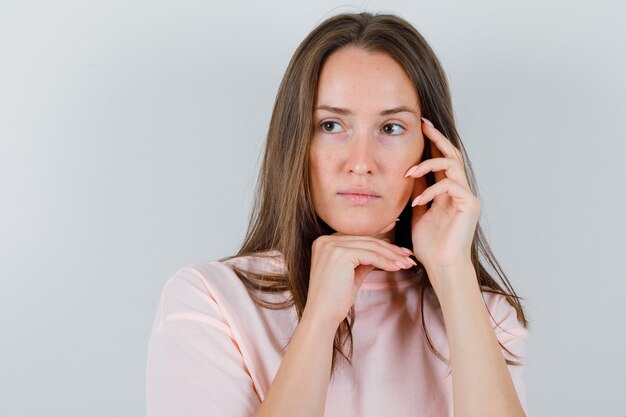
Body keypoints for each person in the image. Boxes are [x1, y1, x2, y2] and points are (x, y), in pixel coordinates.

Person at [146, 11, 530, 417]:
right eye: (331, 125)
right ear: (295, 142)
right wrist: (318, 321)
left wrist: (454, 273)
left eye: (391, 128)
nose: (361, 162)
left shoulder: (484, 312)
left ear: (431, 149)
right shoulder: (211, 301)